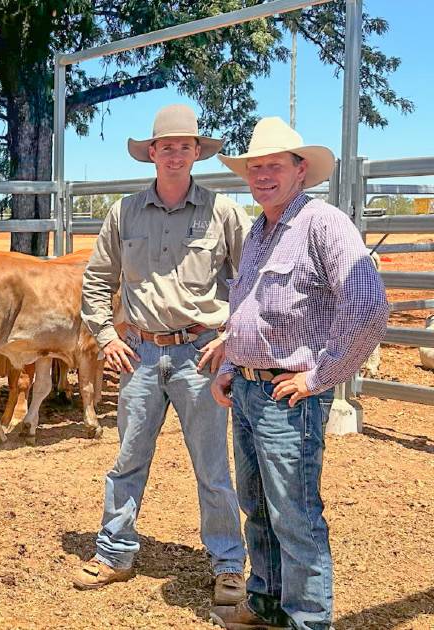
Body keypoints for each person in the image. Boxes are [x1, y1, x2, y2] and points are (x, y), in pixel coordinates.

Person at [209, 117, 389, 630]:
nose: (262, 174)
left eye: (274, 165)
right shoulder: (260, 230)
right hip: (248, 389)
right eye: (254, 166)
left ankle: (308, 620)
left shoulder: (323, 224)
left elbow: (370, 306)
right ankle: (266, 604)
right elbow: (245, 307)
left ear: (300, 170)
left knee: (296, 516)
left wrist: (319, 378)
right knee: (258, 506)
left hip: (290, 398)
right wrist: (230, 365)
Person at [75, 104, 249, 608]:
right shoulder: (123, 212)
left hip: (200, 353)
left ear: (198, 153)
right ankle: (114, 551)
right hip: (141, 352)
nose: (175, 154)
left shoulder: (222, 212)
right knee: (128, 457)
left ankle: (228, 565)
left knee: (213, 465)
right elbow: (96, 279)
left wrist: (231, 335)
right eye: (165, 146)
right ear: (151, 153)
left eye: (184, 146)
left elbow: (251, 281)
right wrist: (107, 336)